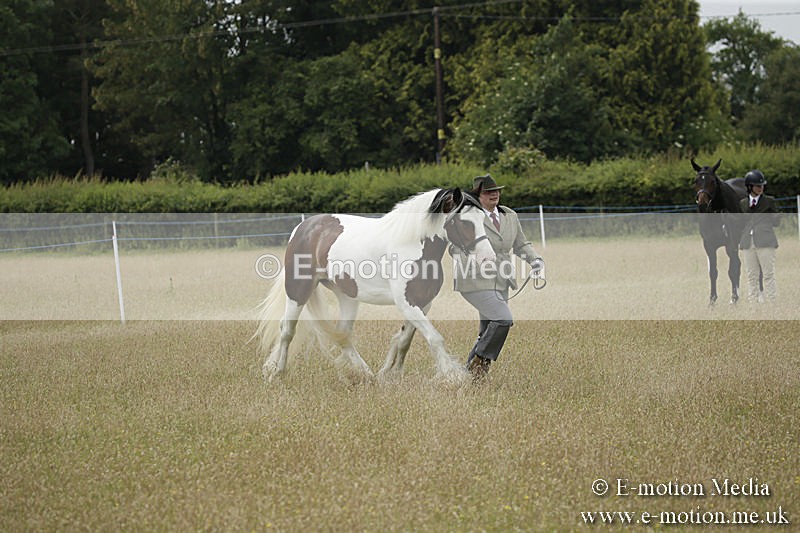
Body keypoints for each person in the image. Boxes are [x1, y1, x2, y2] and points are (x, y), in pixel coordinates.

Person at [450, 174, 544, 382]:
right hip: (474, 279)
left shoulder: (510, 215)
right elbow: (454, 245)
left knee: (487, 331)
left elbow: (521, 244)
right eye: (488, 192)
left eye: (497, 190)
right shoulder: (467, 215)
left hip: (502, 278)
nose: (494, 194)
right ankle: (477, 363)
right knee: (503, 319)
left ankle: (472, 378)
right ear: (478, 196)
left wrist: (535, 260)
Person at [738, 169, 780, 303]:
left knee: (768, 274)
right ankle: (753, 305)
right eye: (757, 185)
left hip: (765, 241)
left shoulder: (769, 201)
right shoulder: (743, 203)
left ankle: (773, 303)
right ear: (750, 187)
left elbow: (776, 222)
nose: (761, 188)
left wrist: (775, 216)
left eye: (762, 185)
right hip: (747, 242)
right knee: (751, 276)